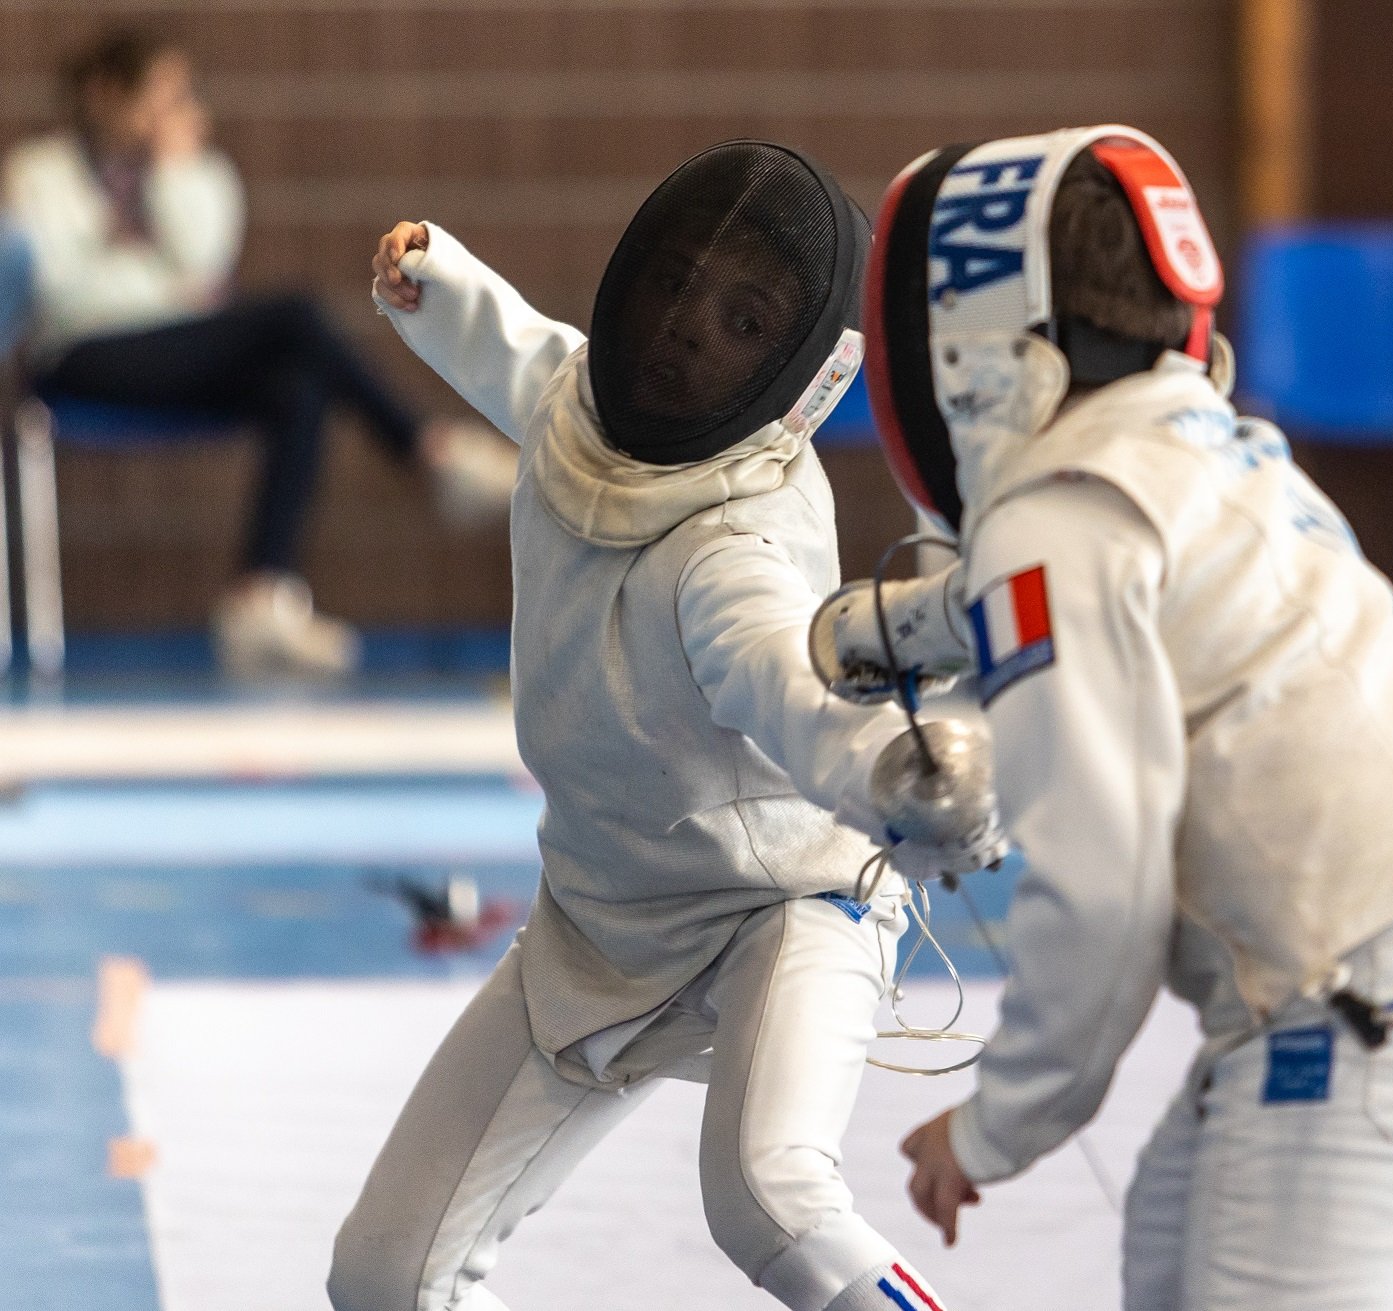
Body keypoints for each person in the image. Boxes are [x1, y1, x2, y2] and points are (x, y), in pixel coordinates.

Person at [838, 127, 1393, 1310]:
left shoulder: (1051, 525)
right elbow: (1092, 591)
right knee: (1168, 1257)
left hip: (1376, 982)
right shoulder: (1211, 452)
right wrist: (883, 631)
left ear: (962, 344)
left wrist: (996, 1123)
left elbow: (1101, 889)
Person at [330, 141, 991, 1311]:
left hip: (782, 907)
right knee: (387, 1279)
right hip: (601, 919)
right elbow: (523, 352)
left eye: (744, 323)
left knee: (769, 1199)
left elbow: (790, 684)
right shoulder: (576, 414)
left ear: (795, 373)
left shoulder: (733, 544)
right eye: (679, 283)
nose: (687, 328)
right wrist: (436, 280)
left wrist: (892, 773)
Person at [1, 28, 515, 677]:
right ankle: (429, 452)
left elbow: (201, 270)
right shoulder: (38, 174)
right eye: (159, 94)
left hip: (182, 358)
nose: (172, 110)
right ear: (106, 94)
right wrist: (164, 290)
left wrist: (169, 176)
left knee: (297, 385)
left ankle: (261, 600)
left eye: (179, 97)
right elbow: (60, 293)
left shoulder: (199, 172)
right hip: (78, 363)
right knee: (295, 317)